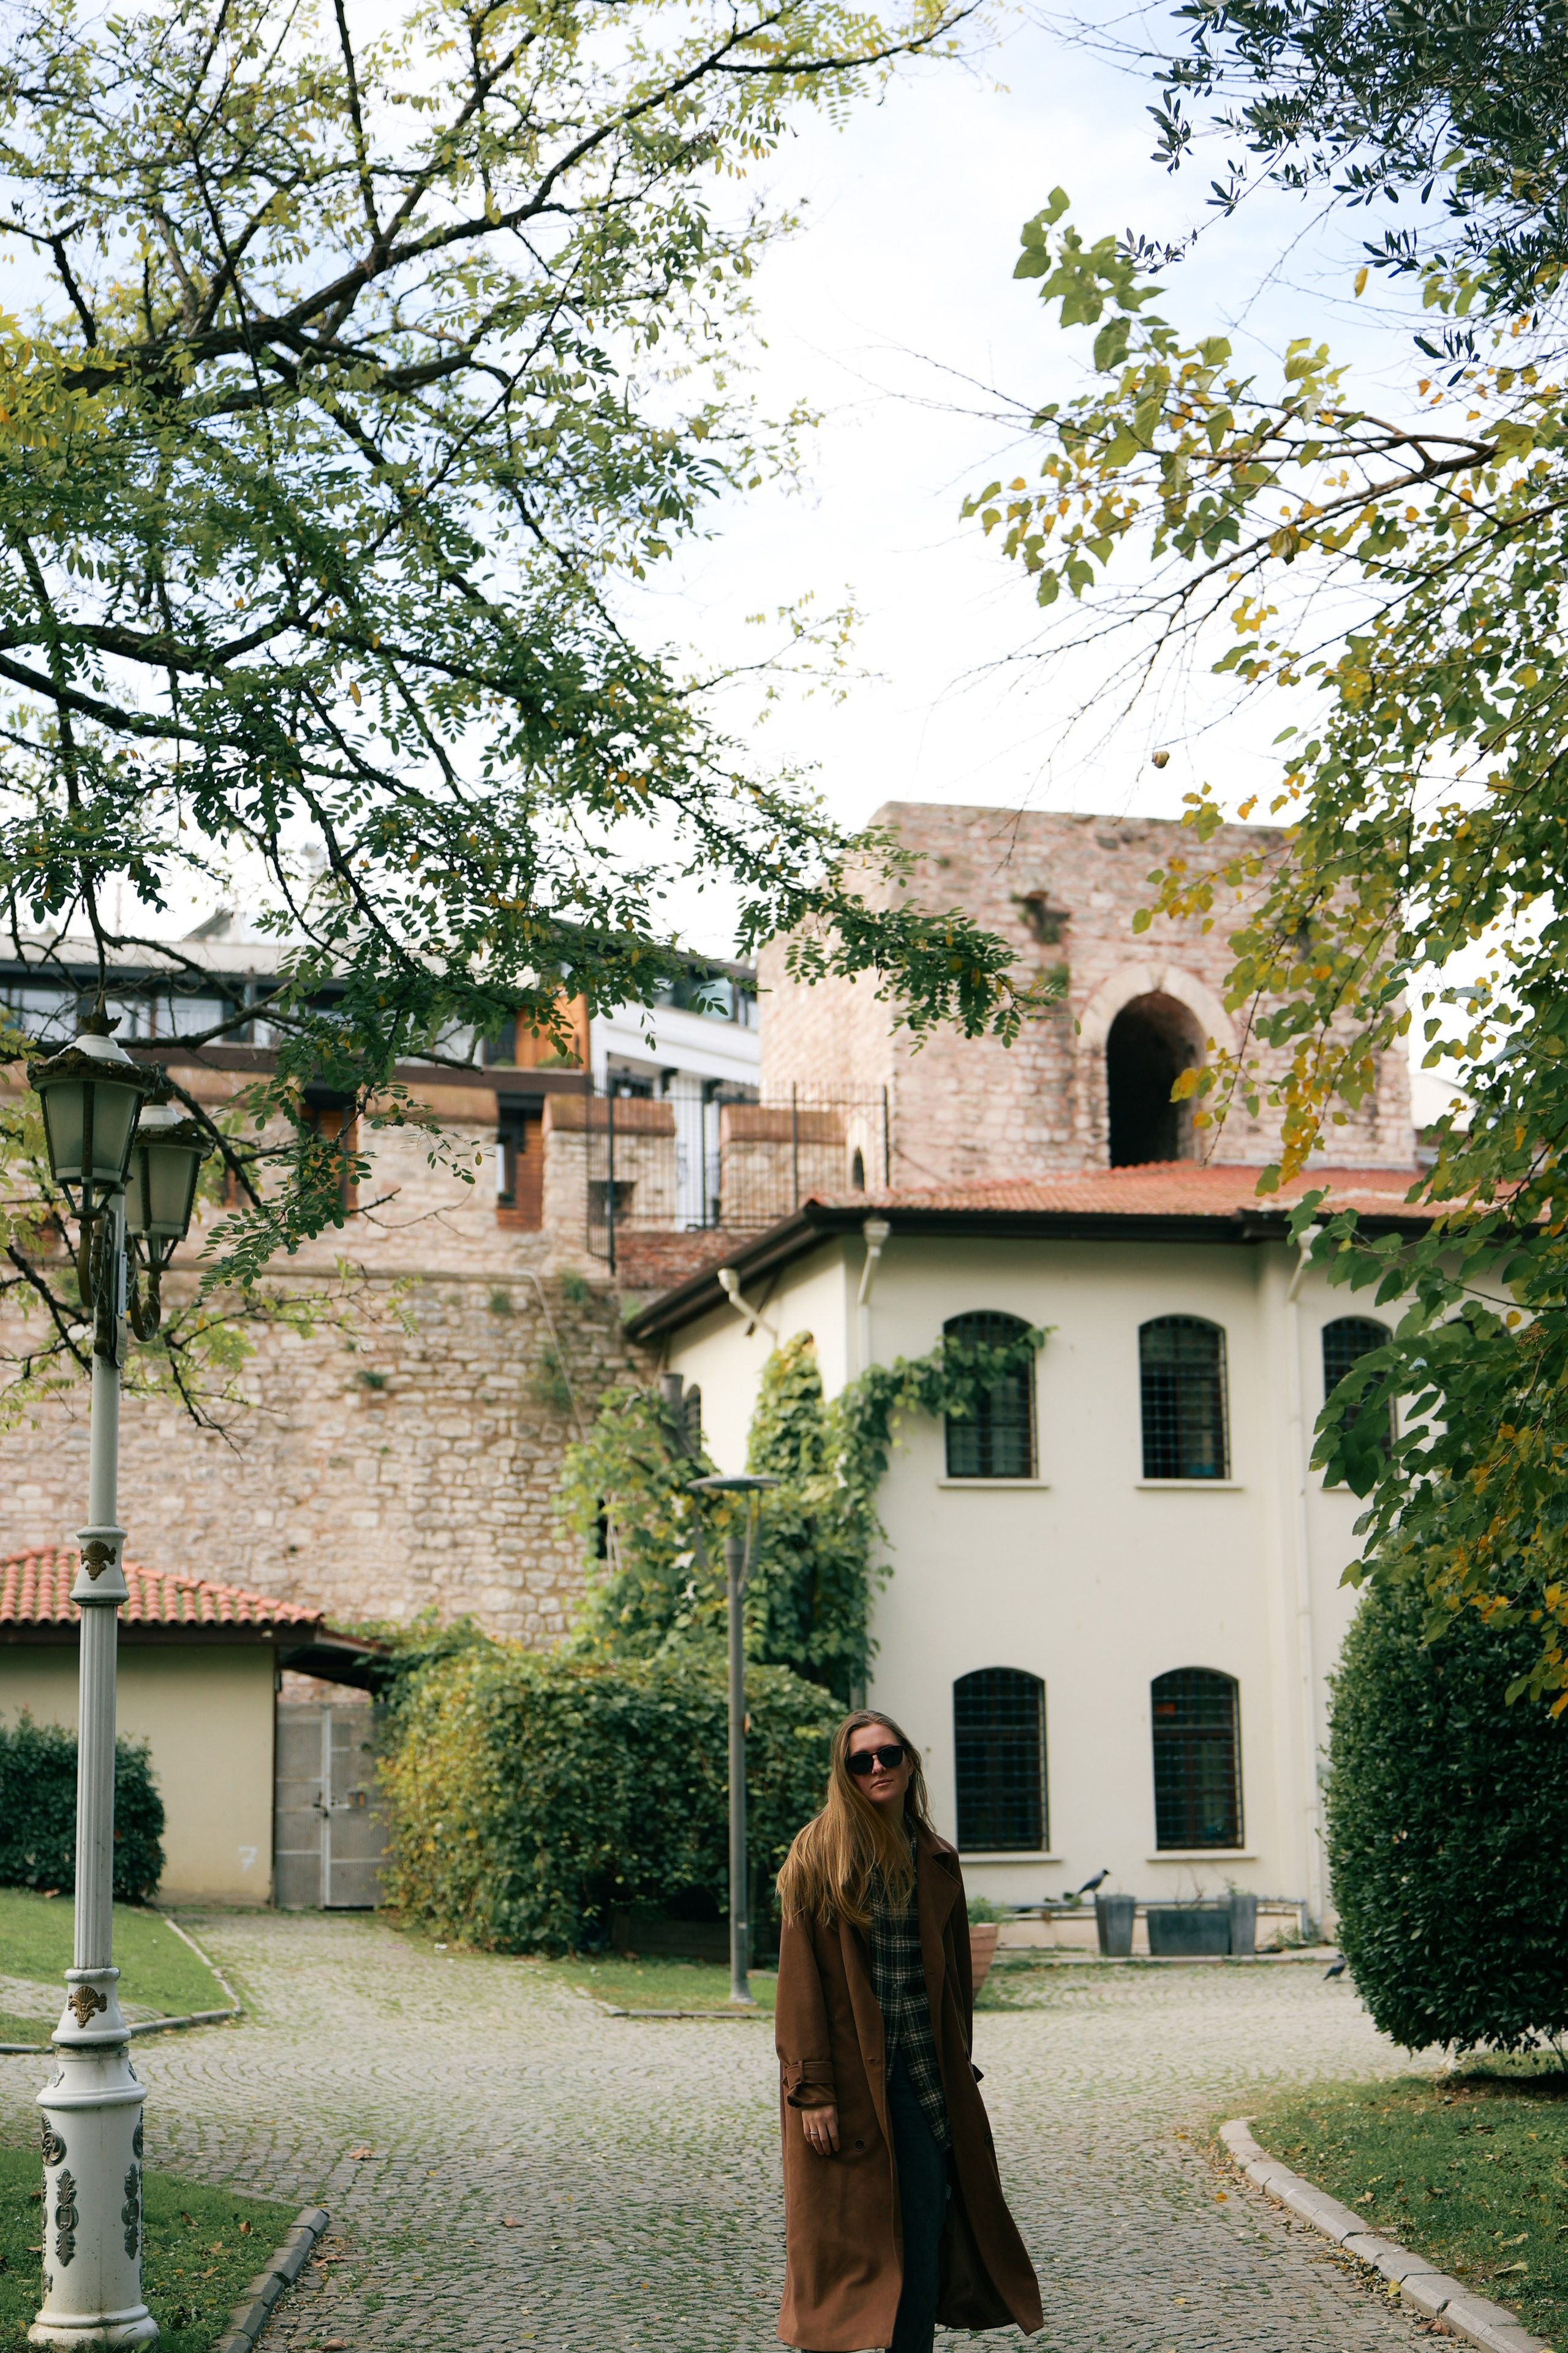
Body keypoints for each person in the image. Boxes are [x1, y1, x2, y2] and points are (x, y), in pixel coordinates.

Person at [773, 1709, 1043, 2353]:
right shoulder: (817, 1855)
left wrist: (960, 2070)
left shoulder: (936, 1857)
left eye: (887, 1755)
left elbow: (953, 1991)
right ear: (843, 1773)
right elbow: (798, 1988)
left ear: (908, 1761)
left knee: (923, 2245)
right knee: (841, 2257)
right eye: (859, 1760)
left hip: (923, 2082)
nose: (875, 1769)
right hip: (849, 2084)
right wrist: (812, 2090)